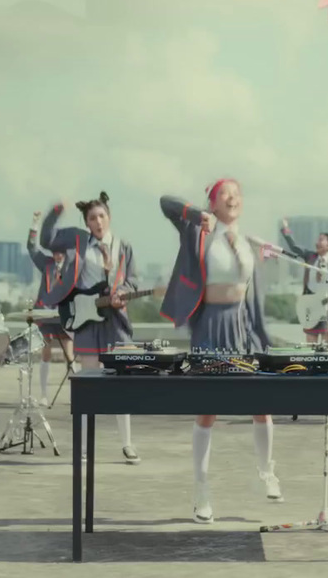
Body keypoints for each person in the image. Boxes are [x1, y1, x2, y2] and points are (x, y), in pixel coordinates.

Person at [159, 180, 280, 523]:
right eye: (224, 193)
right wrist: (196, 215)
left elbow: (253, 296)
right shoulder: (198, 231)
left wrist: (263, 340)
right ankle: (201, 490)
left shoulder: (247, 242)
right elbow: (165, 202)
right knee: (207, 410)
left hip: (241, 327)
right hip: (210, 326)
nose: (233, 197)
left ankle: (266, 472)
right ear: (211, 202)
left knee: (262, 405)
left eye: (237, 193)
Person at [33, 193, 141, 464]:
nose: (98, 221)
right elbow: (47, 240)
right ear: (87, 222)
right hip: (86, 318)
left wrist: (122, 292)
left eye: (102, 216)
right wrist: (55, 211)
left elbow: (133, 281)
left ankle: (127, 444)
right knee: (89, 381)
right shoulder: (78, 241)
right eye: (92, 218)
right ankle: (82, 446)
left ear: (109, 217)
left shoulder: (123, 246)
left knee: (122, 383)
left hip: (115, 320)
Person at [278, 220, 328, 345]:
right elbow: (294, 247)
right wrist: (286, 229)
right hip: (311, 304)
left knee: (326, 340)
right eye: (318, 240)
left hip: (326, 304)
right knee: (310, 340)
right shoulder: (310, 257)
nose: (317, 243)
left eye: (321, 240)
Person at [25, 217, 74, 399]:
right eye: (54, 251)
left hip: (64, 315)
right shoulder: (47, 264)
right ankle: (44, 394)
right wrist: (35, 226)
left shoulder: (72, 267)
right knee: (46, 351)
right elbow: (32, 249)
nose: (57, 255)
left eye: (60, 251)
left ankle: (75, 395)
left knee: (69, 354)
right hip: (45, 314)